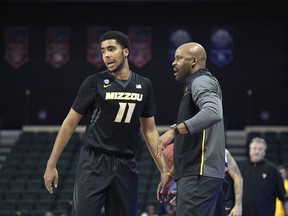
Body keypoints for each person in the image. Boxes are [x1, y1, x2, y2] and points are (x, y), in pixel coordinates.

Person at [43, 30, 166, 216]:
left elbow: (149, 130)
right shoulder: (94, 82)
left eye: (111, 49)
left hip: (126, 163)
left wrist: (164, 169)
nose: (106, 55)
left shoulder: (145, 85)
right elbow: (69, 124)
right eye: (102, 51)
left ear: (126, 52)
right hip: (94, 162)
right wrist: (51, 164)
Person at [157, 42, 226, 216]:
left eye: (179, 58)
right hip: (202, 174)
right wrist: (172, 173)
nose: (173, 63)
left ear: (194, 61)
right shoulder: (194, 85)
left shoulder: (201, 81)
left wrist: (173, 130)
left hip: (199, 174)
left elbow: (212, 112)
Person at [238, 137, 288, 216]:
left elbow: (284, 198)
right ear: (250, 150)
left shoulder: (273, 170)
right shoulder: (240, 167)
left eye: (260, 149)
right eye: (254, 148)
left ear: (264, 152)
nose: (257, 151)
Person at [215, 149, 243, 216]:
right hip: (206, 201)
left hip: (225, 201)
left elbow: (238, 178)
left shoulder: (224, 152)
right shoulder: (194, 151)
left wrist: (238, 206)